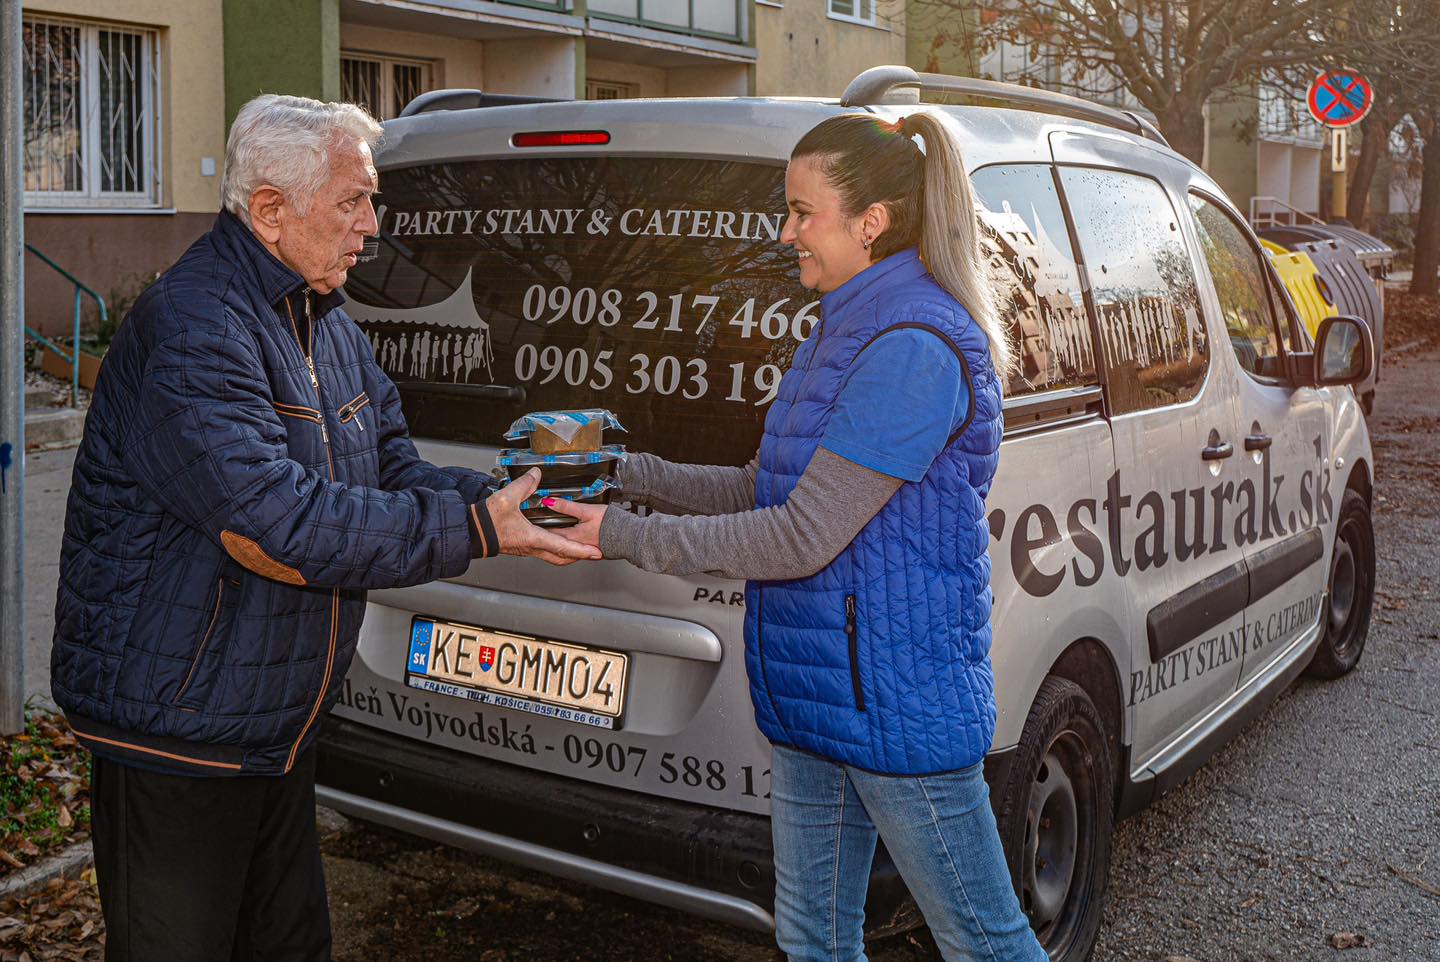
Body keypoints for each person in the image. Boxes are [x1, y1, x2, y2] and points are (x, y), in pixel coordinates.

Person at [49, 94, 597, 962]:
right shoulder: (195, 327)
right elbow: (279, 521)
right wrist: (475, 530)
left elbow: (390, 467)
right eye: (352, 202)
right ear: (271, 209)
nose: (371, 227)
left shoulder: (320, 316)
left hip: (270, 724)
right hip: (179, 734)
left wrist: (514, 500)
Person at [550, 112, 1047, 961]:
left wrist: (620, 536)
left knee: (986, 945)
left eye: (801, 212)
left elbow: (801, 536)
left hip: (894, 704)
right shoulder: (841, 330)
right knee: (813, 940)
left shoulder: (913, 349)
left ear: (871, 222)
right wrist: (626, 471)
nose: (786, 234)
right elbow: (763, 488)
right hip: (818, 692)